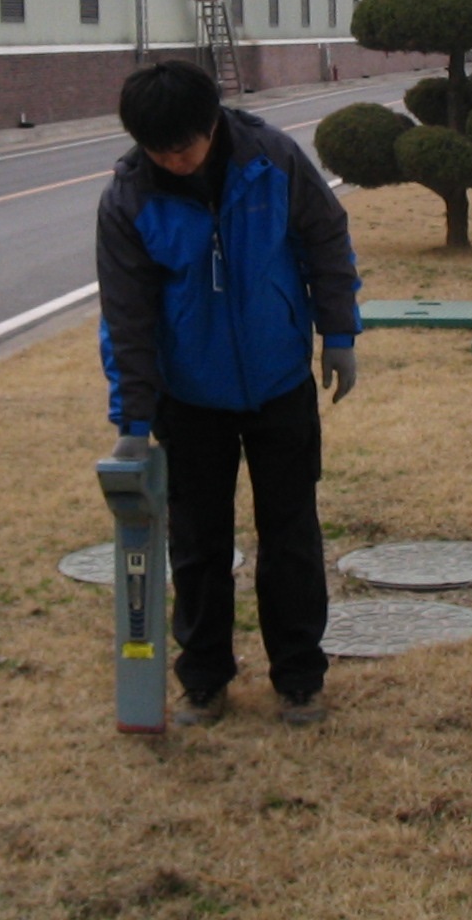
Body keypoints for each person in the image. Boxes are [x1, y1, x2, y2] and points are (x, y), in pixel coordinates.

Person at [95, 60, 360, 727]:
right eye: (158, 150)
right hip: (189, 397)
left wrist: (338, 332)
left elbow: (326, 236)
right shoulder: (128, 199)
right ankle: (204, 677)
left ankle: (299, 677)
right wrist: (133, 420)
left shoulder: (272, 160)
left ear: (211, 122)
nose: (173, 161)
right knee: (197, 544)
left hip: (279, 380)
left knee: (291, 534)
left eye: (183, 146)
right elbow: (127, 317)